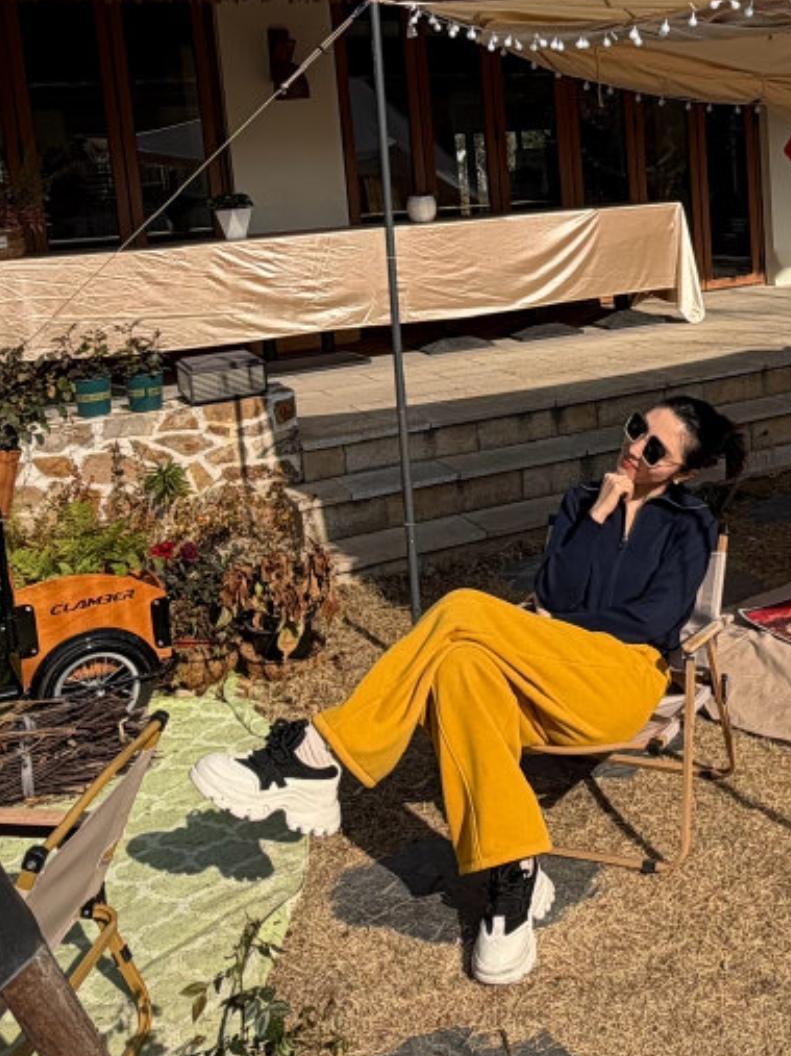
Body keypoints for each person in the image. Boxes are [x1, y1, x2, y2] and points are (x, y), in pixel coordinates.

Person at [190, 394, 746, 988]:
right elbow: (554, 592)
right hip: (544, 677)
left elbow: (651, 620)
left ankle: (320, 753)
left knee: (460, 609)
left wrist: (550, 630)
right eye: (636, 429)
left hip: (618, 681)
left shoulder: (690, 523)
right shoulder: (583, 499)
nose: (634, 448)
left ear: (683, 472)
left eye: (655, 449)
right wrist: (599, 515)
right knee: (459, 667)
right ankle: (513, 872)